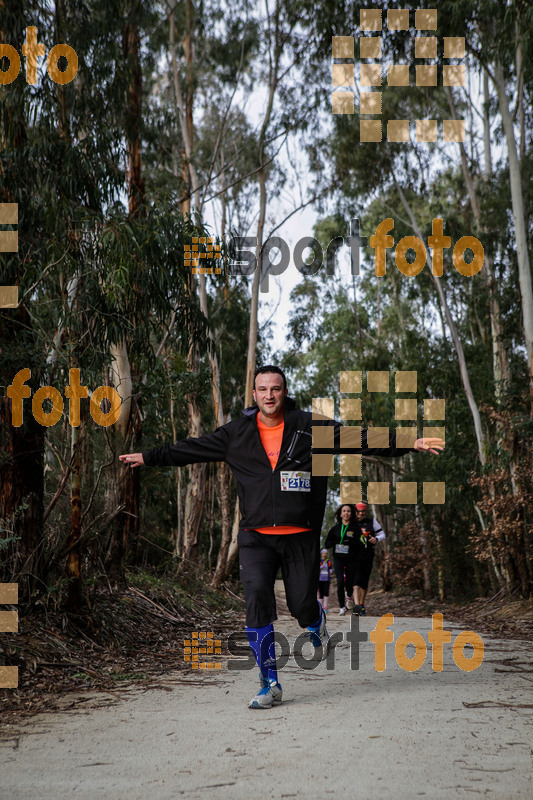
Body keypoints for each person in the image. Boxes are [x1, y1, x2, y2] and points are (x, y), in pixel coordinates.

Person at [120, 365, 444, 709]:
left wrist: (409, 442)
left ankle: (316, 623)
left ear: (284, 392)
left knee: (302, 605)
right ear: (254, 394)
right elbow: (192, 449)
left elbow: (359, 437)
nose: (269, 395)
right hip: (255, 537)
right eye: (262, 389)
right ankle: (269, 682)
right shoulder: (237, 434)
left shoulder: (310, 427)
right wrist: (149, 457)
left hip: (300, 536)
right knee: (257, 601)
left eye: (275, 389)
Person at [324, 504, 359, 615]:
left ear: (351, 513)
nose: (346, 513)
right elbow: (327, 543)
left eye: (348, 511)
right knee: (340, 582)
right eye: (344, 511)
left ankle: (349, 595)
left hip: (351, 559)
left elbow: (361, 543)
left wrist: (351, 542)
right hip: (338, 558)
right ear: (340, 514)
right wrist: (334, 542)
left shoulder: (355, 528)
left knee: (349, 582)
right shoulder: (335, 528)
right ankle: (342, 607)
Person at [352, 501, 385, 616]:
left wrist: (376, 539)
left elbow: (383, 535)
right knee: (355, 580)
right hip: (354, 556)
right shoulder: (351, 522)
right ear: (355, 512)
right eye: (359, 511)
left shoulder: (372, 522)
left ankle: (361, 604)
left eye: (363, 512)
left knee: (364, 581)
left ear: (365, 512)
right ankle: (356, 605)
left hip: (368, 555)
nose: (360, 514)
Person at [318, 548, 332, 612]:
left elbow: (330, 568)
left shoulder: (328, 561)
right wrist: (321, 567)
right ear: (321, 554)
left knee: (326, 592)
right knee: (321, 592)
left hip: (327, 579)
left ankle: (325, 606)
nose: (324, 554)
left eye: (325, 553)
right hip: (320, 579)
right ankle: (320, 606)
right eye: (323, 553)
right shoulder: (319, 561)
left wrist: (330, 571)